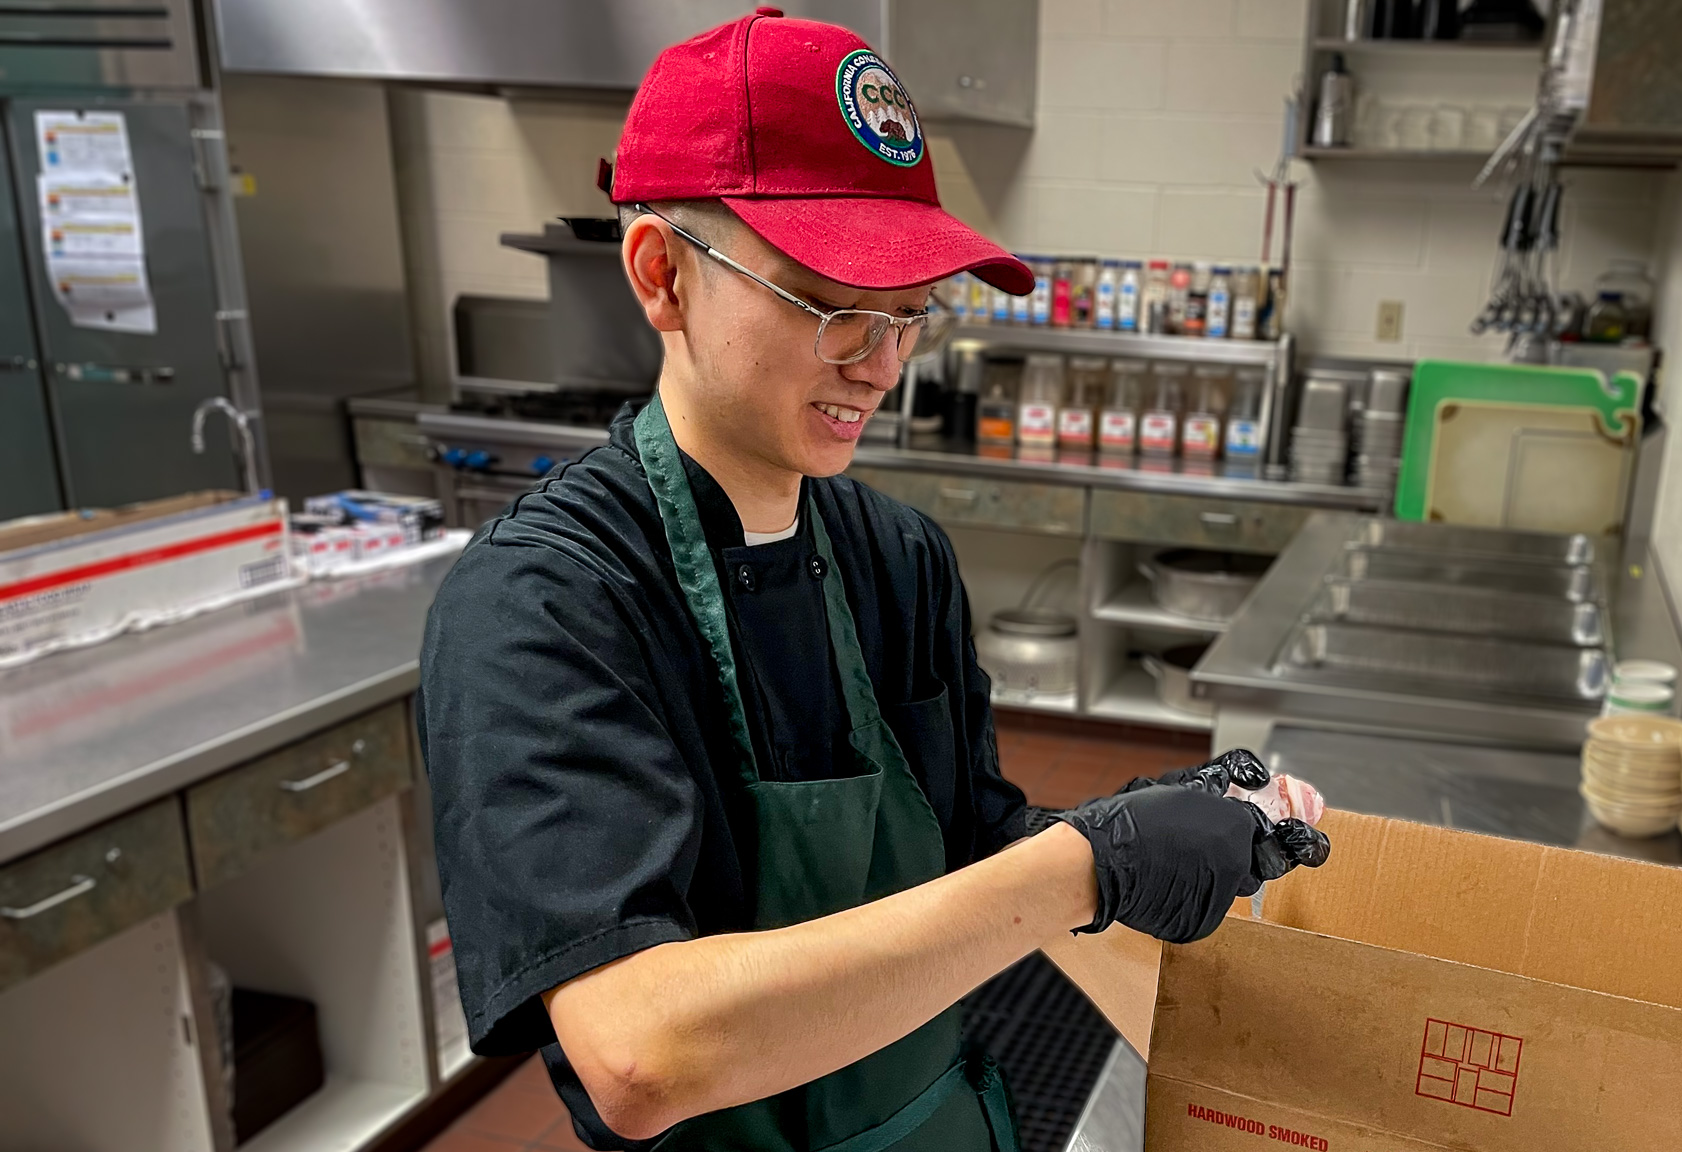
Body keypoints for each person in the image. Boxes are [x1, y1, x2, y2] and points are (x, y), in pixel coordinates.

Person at [417, 10, 1328, 1150]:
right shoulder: (547, 604)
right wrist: (1084, 866)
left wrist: (1156, 838)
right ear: (662, 276)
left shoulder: (897, 558)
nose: (881, 366)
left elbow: (978, 846)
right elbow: (639, 1055)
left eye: (907, 318)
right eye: (833, 306)